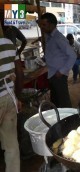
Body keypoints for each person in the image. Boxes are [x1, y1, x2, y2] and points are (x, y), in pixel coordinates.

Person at [39, 13, 76, 108]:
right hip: (52, 73)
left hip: (58, 75)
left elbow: (72, 55)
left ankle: (69, 121)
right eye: (41, 25)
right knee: (56, 102)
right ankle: (59, 121)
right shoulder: (49, 36)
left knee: (64, 102)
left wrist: (62, 71)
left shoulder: (58, 37)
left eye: (44, 25)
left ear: (51, 25)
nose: (42, 27)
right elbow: (53, 54)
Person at [0, 22, 23, 172]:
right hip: (9, 97)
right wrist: (17, 97)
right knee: (11, 144)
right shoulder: (9, 44)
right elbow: (19, 73)